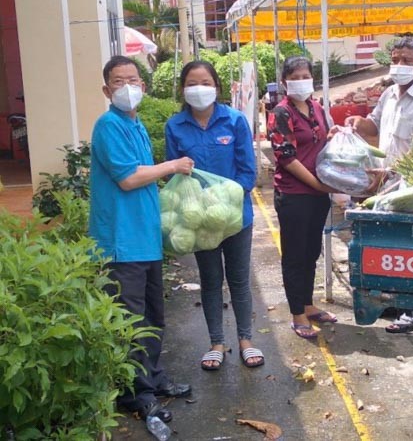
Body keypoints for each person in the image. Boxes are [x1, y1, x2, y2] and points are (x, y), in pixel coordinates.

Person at [89, 56, 194, 423]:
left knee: (153, 317)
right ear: (107, 90)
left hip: (145, 240)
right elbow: (129, 179)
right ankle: (138, 395)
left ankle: (153, 378)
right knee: (132, 322)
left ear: (144, 87)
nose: (127, 87)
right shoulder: (108, 126)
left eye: (132, 80)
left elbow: (145, 179)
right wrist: (174, 165)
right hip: (121, 243)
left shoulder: (134, 125)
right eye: (118, 82)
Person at [344, 36, 413, 333]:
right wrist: (356, 122)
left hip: (412, 185)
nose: (399, 66)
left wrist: (387, 169)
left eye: (407, 61)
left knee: (412, 248)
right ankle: (398, 302)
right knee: (390, 247)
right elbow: (374, 126)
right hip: (385, 182)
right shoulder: (389, 94)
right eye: (396, 59)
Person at [165, 61, 262, 370]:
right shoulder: (175, 126)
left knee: (239, 280)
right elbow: (175, 175)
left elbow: (248, 171)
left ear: (216, 86)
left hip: (235, 218)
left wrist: (229, 201)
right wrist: (196, 209)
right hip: (199, 222)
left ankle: (246, 339)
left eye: (205, 82)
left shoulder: (234, 121)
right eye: (192, 82)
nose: (199, 88)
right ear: (183, 89)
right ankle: (216, 343)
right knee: (210, 281)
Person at [267, 56, 338, 339]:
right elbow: (286, 157)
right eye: (294, 76)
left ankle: (308, 305)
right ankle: (297, 313)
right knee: (295, 255)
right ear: (285, 82)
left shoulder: (316, 107)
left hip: (318, 193)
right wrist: (318, 185)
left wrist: (335, 135)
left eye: (305, 75)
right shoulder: (281, 113)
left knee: (312, 252)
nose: (301, 80)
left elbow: (321, 140)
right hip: (295, 194)